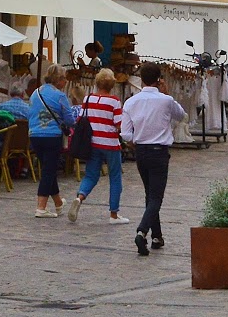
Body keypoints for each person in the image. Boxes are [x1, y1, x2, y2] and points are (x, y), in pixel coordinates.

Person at [119, 62, 186, 257]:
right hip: (159, 151)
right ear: (159, 79)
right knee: (156, 196)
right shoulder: (165, 100)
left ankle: (157, 236)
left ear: (140, 78)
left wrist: (134, 140)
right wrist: (166, 93)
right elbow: (181, 115)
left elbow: (125, 133)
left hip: (141, 151)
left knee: (150, 194)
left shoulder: (131, 102)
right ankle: (142, 231)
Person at [66, 69, 128, 226]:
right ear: (112, 84)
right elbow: (119, 125)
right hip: (110, 144)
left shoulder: (87, 99)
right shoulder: (114, 101)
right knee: (115, 177)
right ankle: (114, 214)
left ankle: (79, 197)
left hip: (92, 143)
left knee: (91, 175)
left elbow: (80, 119)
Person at [27, 67, 77, 218]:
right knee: (49, 170)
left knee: (48, 168)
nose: (66, 81)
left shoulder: (36, 93)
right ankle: (41, 207)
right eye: (64, 78)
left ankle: (58, 203)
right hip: (51, 135)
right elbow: (69, 120)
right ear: (58, 80)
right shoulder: (60, 96)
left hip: (34, 134)